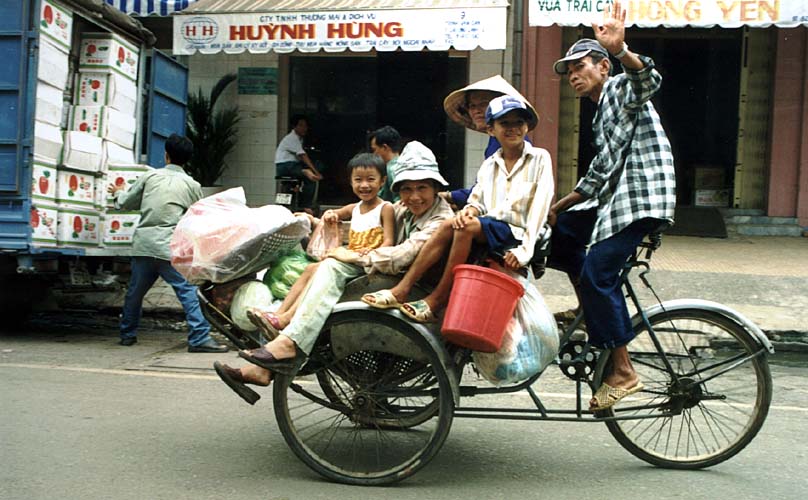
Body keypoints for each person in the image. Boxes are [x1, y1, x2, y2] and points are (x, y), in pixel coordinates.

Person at [214, 141, 454, 405]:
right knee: (319, 270)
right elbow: (365, 223)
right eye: (407, 189)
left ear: (436, 188)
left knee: (332, 266)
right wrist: (321, 222)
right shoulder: (403, 209)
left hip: (408, 286)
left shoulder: (439, 219)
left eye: (422, 188)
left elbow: (401, 255)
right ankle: (266, 364)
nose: (414, 196)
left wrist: (351, 255)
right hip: (385, 276)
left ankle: (288, 344)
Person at [549, 1, 676, 412]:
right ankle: (590, 307)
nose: (573, 76)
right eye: (568, 72)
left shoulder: (621, 88)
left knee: (598, 273)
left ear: (603, 67)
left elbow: (647, 80)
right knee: (563, 234)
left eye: (580, 66)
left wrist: (621, 50)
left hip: (640, 200)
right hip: (616, 201)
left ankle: (623, 370)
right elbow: (602, 169)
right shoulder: (603, 110)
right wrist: (562, 204)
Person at [363, 95, 554, 323]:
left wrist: (526, 249)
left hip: (518, 233)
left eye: (518, 123)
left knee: (464, 228)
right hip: (490, 228)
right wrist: (469, 211)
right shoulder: (489, 164)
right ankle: (402, 290)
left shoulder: (539, 158)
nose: (513, 129)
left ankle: (436, 300)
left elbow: (541, 206)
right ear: (492, 129)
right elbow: (477, 200)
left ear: (526, 126)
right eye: (505, 124)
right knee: (452, 223)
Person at [246, 152, 395, 335]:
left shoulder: (386, 208)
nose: (364, 185)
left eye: (371, 179)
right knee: (310, 269)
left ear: (382, 181)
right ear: (351, 182)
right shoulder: (353, 208)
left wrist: (372, 251)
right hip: (348, 259)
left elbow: (389, 241)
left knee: (324, 267)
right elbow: (332, 214)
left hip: (365, 263)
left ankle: (286, 318)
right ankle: (279, 313)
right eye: (358, 180)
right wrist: (330, 215)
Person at [108, 134, 227, 353]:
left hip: (144, 245)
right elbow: (197, 218)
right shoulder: (192, 185)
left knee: (135, 292)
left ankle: (127, 334)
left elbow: (125, 202)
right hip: (169, 248)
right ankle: (199, 337)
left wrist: (118, 193)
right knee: (187, 292)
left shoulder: (150, 177)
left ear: (166, 155)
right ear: (188, 159)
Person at [441, 75, 535, 208]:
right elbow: (482, 191)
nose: (476, 111)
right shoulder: (495, 145)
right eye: (472, 106)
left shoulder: (509, 144)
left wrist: (447, 196)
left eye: (483, 104)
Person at [274, 114, 323, 210]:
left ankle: (295, 202)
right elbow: (303, 156)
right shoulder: (292, 138)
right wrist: (315, 172)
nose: (304, 128)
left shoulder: (299, 139)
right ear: (294, 126)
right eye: (301, 125)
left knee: (303, 176)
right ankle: (306, 206)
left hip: (285, 167)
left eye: (305, 126)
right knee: (311, 179)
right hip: (286, 166)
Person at [368, 126, 402, 202]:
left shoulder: (391, 170)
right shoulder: (404, 165)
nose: (374, 154)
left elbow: (399, 201)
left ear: (384, 147)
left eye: (374, 149)